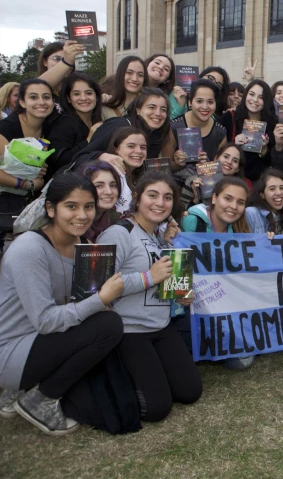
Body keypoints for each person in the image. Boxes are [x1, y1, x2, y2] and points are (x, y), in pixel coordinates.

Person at [0, 173, 124, 435]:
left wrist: (147, 278)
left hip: (37, 340)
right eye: (71, 206)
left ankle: (19, 389)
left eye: (88, 207)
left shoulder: (85, 244)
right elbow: (47, 320)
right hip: (4, 352)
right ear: (50, 208)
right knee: (108, 325)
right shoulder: (29, 249)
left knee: (104, 321)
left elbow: (84, 300)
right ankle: (40, 398)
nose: (82, 215)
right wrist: (100, 299)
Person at [98, 171, 202, 421]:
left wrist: (181, 295)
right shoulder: (118, 233)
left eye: (167, 198)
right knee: (156, 409)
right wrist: (149, 277)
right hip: (128, 331)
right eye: (152, 195)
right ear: (137, 197)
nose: (160, 203)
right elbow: (98, 288)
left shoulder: (160, 237)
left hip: (161, 326)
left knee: (190, 392)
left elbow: (165, 281)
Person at [177, 176, 254, 369]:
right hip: (189, 307)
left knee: (243, 360)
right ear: (214, 198)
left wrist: (267, 242)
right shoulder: (191, 222)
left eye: (240, 202)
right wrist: (182, 293)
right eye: (227, 199)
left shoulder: (239, 230)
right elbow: (176, 268)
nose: (233, 206)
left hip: (222, 304)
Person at [0, 79, 54, 236]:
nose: (41, 102)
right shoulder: (7, 127)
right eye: (33, 97)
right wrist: (27, 184)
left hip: (24, 208)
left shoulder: (51, 126)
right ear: (22, 102)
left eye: (46, 97)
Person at [73, 87, 175, 173]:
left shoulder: (155, 136)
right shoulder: (118, 126)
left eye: (163, 110)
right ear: (138, 110)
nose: (158, 113)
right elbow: (79, 159)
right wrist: (101, 156)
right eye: (152, 107)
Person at [171, 79, 228, 187]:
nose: (205, 107)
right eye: (199, 101)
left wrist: (207, 166)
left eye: (210, 102)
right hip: (176, 189)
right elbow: (166, 167)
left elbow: (221, 172)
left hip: (206, 189)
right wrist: (178, 164)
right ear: (190, 103)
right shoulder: (174, 126)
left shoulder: (220, 133)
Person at [46, 72, 103, 175]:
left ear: (97, 96)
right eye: (76, 94)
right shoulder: (63, 124)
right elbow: (59, 162)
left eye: (89, 93)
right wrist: (88, 140)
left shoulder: (97, 120)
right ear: (68, 99)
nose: (83, 98)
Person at [220, 79, 274, 184]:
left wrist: (263, 150)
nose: (255, 100)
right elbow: (217, 152)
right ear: (245, 95)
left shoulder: (272, 123)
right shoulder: (229, 118)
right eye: (252, 94)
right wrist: (233, 145)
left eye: (261, 97)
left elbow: (271, 162)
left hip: (257, 182)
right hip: (230, 179)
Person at [187, 142, 246, 208]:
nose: (229, 162)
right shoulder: (194, 182)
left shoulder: (240, 190)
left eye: (235, 161)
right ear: (216, 158)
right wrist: (196, 199)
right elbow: (184, 213)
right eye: (226, 157)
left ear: (238, 168)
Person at [103, 127, 148, 213]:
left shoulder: (141, 176)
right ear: (116, 149)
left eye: (143, 147)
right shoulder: (109, 175)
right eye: (131, 146)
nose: (139, 151)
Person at [76, 160, 122, 242]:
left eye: (113, 185)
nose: (109, 191)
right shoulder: (71, 220)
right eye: (99, 186)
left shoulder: (116, 220)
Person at [245, 168, 283, 234]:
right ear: (262, 194)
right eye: (272, 189)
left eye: (282, 188)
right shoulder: (251, 213)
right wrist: (263, 240)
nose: (278, 193)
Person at [102, 56, 147, 120]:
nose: (135, 79)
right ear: (120, 74)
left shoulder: (149, 108)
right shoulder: (105, 106)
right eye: (129, 73)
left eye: (140, 75)